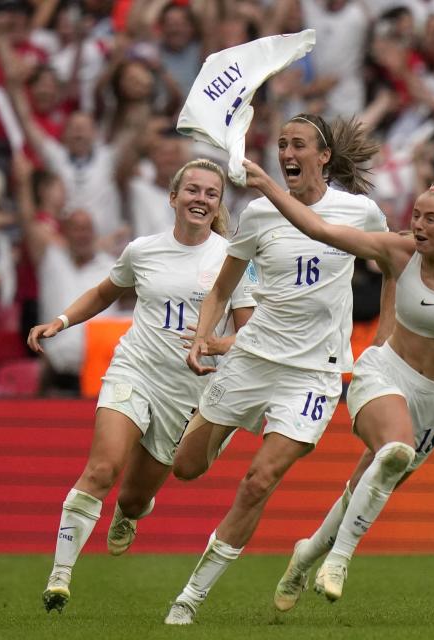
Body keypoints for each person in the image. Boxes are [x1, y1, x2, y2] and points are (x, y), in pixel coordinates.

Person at [237, 158, 434, 610]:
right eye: (415, 216)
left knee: (371, 481)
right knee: (394, 452)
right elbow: (320, 230)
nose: (419, 225)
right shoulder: (398, 252)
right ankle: (339, 561)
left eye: (431, 218)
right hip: (385, 371)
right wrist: (269, 186)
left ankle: (308, 553)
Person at [162, 113, 392, 625]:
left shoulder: (360, 213)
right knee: (186, 467)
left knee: (258, 481)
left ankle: (191, 597)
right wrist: (205, 336)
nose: (287, 153)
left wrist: (387, 340)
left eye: (299, 145)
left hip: (314, 374)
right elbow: (223, 287)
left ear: (324, 156)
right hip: (252, 358)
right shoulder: (261, 214)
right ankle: (213, 429)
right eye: (282, 144)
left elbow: (397, 264)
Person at [27, 159, 256, 614]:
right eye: (192, 190)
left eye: (211, 193)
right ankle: (60, 576)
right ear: (173, 198)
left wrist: (212, 342)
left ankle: (129, 514)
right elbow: (105, 292)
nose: (201, 199)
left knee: (133, 498)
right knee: (102, 468)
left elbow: (250, 333)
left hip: (187, 392)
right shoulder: (142, 250)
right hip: (135, 370)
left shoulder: (232, 259)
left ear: (218, 205)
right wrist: (62, 320)